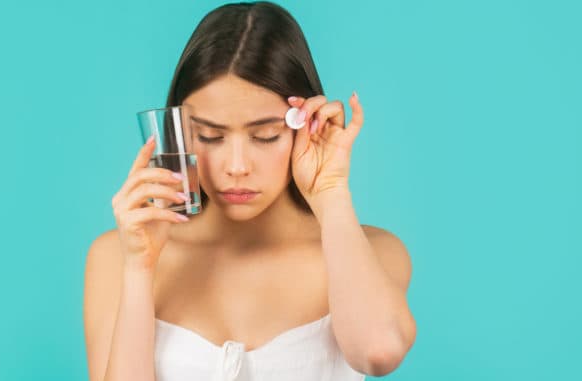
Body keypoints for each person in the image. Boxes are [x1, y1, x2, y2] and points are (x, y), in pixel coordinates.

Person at [83, 2, 416, 380]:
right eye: (210, 135)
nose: (237, 166)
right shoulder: (116, 257)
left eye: (264, 136)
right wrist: (140, 270)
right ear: (177, 132)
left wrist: (331, 191)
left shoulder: (373, 252)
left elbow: (379, 352)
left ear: (303, 126)